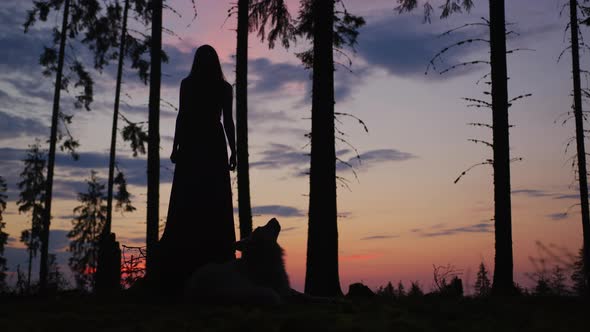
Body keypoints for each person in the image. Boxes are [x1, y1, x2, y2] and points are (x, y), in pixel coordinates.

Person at [158, 45, 237, 291]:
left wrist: (175, 146)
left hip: (195, 143)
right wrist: (234, 150)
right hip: (209, 143)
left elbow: (184, 116)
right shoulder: (222, 88)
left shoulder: (190, 84)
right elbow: (227, 122)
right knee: (211, 197)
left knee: (191, 196)